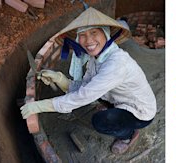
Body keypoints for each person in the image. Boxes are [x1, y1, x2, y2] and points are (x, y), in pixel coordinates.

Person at [20, 7, 156, 154]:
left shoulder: (117, 63)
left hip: (141, 112)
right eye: (82, 35)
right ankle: (116, 113)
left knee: (101, 121)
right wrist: (60, 78)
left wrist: (39, 106)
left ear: (105, 34)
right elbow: (86, 87)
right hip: (120, 99)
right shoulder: (96, 58)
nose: (88, 40)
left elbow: (83, 96)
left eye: (94, 32)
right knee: (97, 98)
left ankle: (128, 136)